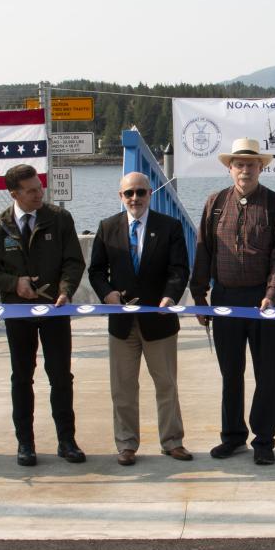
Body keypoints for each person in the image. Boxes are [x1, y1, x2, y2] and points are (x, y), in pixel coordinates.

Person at [190, 137, 275, 466]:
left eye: (251, 164)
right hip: (224, 298)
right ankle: (233, 436)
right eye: (238, 164)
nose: (244, 169)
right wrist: (199, 296)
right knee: (230, 373)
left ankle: (263, 439)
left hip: (263, 301)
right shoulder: (215, 203)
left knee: (266, 374)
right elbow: (203, 250)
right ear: (230, 168)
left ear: (261, 167)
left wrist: (272, 293)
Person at [0, 164, 87, 467]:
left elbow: (74, 261)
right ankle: (25, 442)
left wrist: (66, 290)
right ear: (14, 194)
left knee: (61, 376)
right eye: (31, 190)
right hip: (18, 314)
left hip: (55, 311)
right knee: (22, 378)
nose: (40, 194)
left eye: (40, 187)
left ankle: (67, 440)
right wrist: (15, 284)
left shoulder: (59, 219)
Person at [88, 172, 192, 466]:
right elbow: (96, 271)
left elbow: (179, 269)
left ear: (150, 194)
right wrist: (107, 294)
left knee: (166, 384)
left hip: (159, 321)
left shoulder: (169, 227)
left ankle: (172, 442)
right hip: (121, 324)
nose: (135, 198)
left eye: (141, 193)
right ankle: (126, 444)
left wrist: (170, 297)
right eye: (129, 193)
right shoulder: (107, 228)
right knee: (122, 387)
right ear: (120, 196)